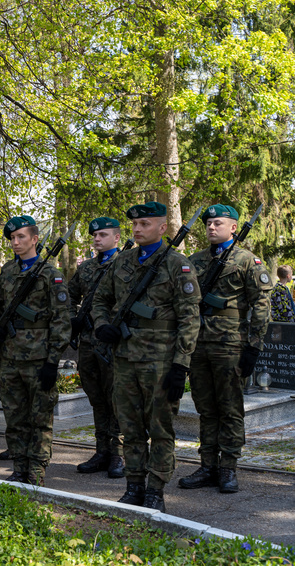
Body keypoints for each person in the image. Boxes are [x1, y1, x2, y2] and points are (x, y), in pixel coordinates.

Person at [91, 201, 201, 512]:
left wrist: (181, 365)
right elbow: (99, 298)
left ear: (163, 228)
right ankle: (134, 485)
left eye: (146, 224)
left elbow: (190, 319)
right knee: (130, 427)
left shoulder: (178, 265)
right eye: (135, 225)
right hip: (125, 359)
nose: (138, 229)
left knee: (160, 429)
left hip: (161, 362)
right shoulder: (122, 261)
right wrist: (101, 326)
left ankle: (156, 490)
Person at [180, 204, 272, 493]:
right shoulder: (195, 261)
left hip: (230, 344)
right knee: (206, 409)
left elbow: (261, 305)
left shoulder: (247, 261)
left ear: (233, 227)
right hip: (198, 345)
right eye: (208, 223)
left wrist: (253, 347)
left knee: (230, 408)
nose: (210, 227)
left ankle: (228, 468)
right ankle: (207, 465)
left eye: (218, 223)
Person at [0, 216, 72, 485]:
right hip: (10, 357)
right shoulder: (8, 270)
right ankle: (19, 467)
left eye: (21, 237)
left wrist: (52, 361)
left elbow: (61, 321)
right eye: (12, 238)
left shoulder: (50, 275)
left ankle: (36, 471)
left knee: (40, 418)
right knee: (14, 416)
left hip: (38, 358)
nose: (16, 242)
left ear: (35, 239)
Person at [67, 217, 125, 478]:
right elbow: (69, 294)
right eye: (95, 235)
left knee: (116, 399)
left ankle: (118, 454)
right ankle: (102, 450)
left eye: (103, 235)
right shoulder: (87, 268)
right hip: (89, 343)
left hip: (114, 342)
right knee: (97, 399)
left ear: (116, 238)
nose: (97, 239)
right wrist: (73, 318)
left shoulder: (125, 265)